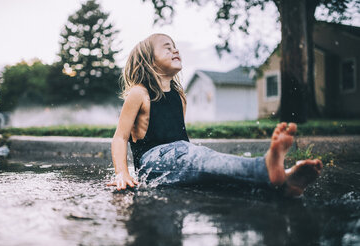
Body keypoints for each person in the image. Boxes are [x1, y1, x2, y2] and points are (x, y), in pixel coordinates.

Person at [108, 33, 323, 197]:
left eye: (175, 47)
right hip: (153, 162)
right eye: (167, 48)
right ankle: (264, 167)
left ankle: (282, 184)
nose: (175, 51)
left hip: (180, 157)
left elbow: (181, 141)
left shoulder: (179, 97)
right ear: (149, 61)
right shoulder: (139, 93)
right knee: (201, 159)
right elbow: (120, 137)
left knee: (214, 171)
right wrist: (122, 173)